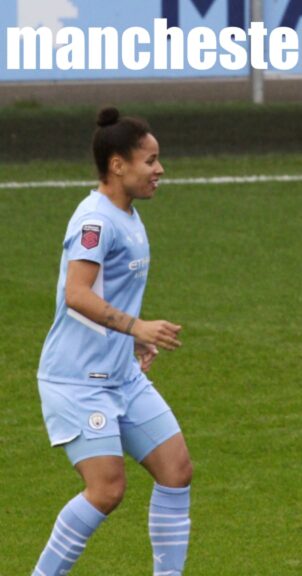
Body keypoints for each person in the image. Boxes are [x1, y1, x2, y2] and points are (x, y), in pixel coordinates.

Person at [33, 108, 192, 575]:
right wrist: (136, 327)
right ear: (118, 164)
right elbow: (77, 294)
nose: (159, 169)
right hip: (78, 380)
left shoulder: (129, 215)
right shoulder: (95, 221)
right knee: (106, 489)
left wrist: (132, 340)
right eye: (151, 160)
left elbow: (111, 292)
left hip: (119, 374)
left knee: (176, 470)